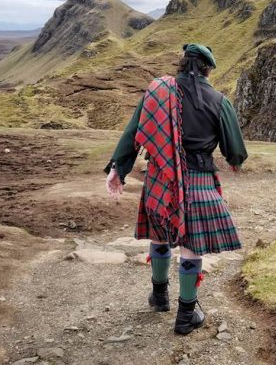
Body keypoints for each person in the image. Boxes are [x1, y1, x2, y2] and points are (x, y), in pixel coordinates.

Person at [104, 43, 248, 335]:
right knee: (191, 245)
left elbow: (134, 133)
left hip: (160, 175)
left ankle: (159, 297)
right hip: (199, 179)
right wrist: (235, 160)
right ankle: (186, 315)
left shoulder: (157, 92)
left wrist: (118, 168)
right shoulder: (219, 101)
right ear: (208, 69)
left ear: (182, 64)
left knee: (159, 233)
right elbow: (234, 151)